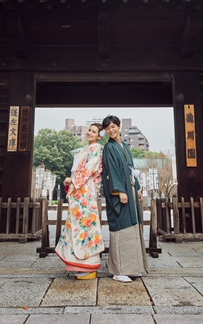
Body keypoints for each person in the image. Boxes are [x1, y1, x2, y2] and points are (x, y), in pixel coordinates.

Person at [54, 123, 105, 279]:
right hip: (78, 192)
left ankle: (89, 264)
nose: (89, 133)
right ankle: (77, 263)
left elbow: (90, 169)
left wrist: (73, 179)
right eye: (89, 130)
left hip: (86, 192)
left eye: (94, 131)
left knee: (86, 226)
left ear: (99, 136)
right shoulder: (84, 149)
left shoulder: (97, 149)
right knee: (75, 225)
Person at [101, 114, 148, 283]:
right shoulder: (109, 148)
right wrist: (119, 191)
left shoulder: (125, 146)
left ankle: (132, 268)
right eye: (107, 128)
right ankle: (118, 270)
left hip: (131, 189)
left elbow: (131, 169)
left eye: (113, 126)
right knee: (121, 227)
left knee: (133, 228)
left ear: (119, 127)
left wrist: (138, 187)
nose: (111, 130)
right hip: (121, 191)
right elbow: (111, 172)